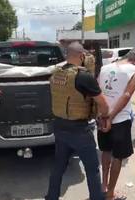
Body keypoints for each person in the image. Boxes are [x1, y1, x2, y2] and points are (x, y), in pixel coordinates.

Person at [45, 42, 109, 200]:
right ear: (81, 56)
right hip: (79, 130)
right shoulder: (83, 76)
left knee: (59, 166)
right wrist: (105, 117)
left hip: (60, 126)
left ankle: (51, 197)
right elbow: (103, 104)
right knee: (92, 168)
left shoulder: (56, 73)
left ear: (67, 55)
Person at [97, 52, 135, 200]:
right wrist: (111, 116)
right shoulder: (133, 70)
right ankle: (110, 194)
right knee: (118, 157)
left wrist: (102, 114)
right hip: (120, 120)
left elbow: (97, 90)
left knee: (105, 150)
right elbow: (127, 95)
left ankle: (104, 185)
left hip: (102, 117)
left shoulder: (105, 68)